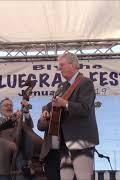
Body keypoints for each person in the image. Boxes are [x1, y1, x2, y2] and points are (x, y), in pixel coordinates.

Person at [40, 52, 99, 180]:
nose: (59, 68)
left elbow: (84, 109)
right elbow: (51, 104)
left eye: (62, 65)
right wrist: (45, 110)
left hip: (81, 140)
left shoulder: (85, 83)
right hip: (64, 143)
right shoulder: (62, 86)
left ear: (73, 65)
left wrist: (65, 103)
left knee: (83, 176)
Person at [0, 98, 33, 180]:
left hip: (19, 166)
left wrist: (26, 113)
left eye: (11, 105)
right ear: (0, 109)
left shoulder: (18, 122)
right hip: (2, 165)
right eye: (6, 105)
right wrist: (12, 118)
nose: (9, 107)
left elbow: (29, 127)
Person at [37, 104, 60, 180]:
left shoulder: (68, 105)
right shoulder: (47, 107)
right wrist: (44, 117)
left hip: (66, 151)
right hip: (50, 153)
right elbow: (41, 127)